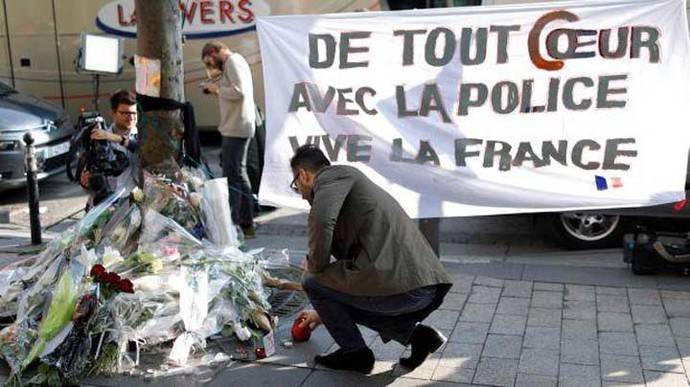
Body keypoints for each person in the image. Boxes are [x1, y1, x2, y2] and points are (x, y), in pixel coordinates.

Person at [290, 144, 453, 374]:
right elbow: (346, 288)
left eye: (295, 185)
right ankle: (418, 336)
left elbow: (322, 222)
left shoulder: (330, 179)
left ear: (303, 175)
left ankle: (355, 354)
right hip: (418, 286)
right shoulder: (346, 181)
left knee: (311, 282)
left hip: (401, 285)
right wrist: (322, 313)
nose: (299, 191)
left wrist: (314, 267)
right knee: (332, 288)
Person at [200, 40, 257, 238]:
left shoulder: (233, 61)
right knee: (236, 172)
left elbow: (239, 92)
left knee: (234, 174)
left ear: (215, 51)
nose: (211, 65)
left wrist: (216, 89)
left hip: (236, 127)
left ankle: (239, 221)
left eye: (210, 61)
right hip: (235, 125)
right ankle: (245, 221)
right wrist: (215, 83)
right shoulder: (234, 63)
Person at [80, 90, 139, 207]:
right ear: (113, 113)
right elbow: (88, 175)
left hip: (135, 199)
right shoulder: (99, 139)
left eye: (134, 113)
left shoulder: (142, 137)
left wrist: (115, 138)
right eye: (125, 113)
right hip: (105, 202)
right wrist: (86, 180)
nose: (131, 117)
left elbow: (140, 149)